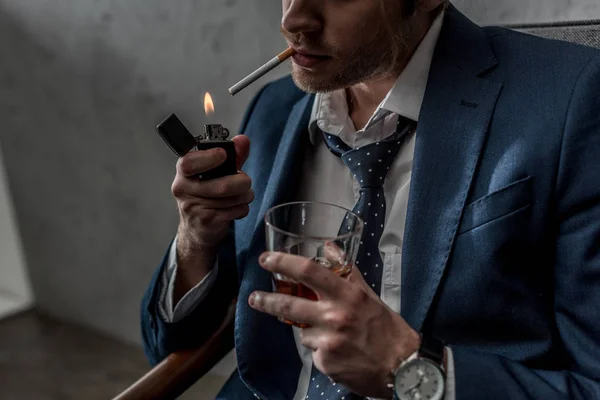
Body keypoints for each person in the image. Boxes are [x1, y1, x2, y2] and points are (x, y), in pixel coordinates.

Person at [141, 0, 600, 398]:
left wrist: (409, 368)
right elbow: (167, 344)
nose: (294, 18)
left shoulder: (569, 99)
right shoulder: (273, 111)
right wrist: (195, 240)